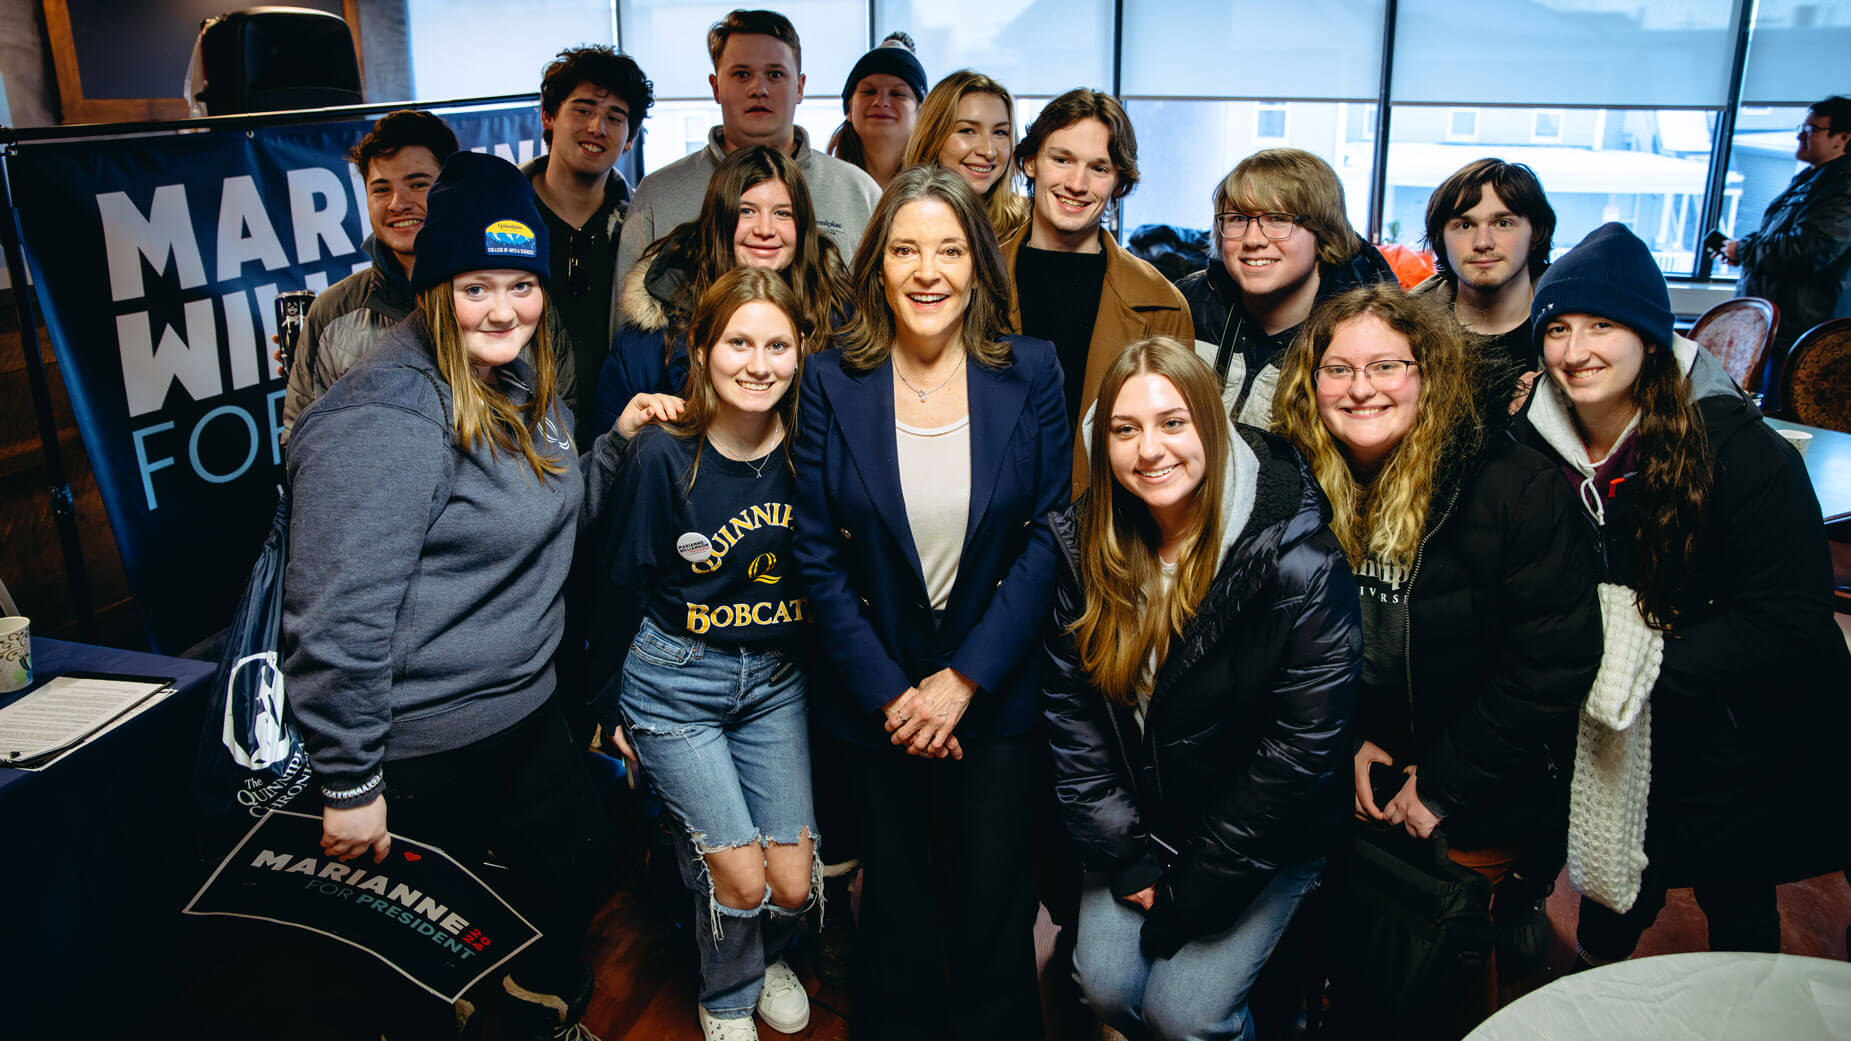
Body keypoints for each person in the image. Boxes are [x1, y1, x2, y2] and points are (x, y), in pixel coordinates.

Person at [284, 151, 617, 1041]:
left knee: (579, 865)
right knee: (417, 975)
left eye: (521, 282)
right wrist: (350, 779)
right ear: (436, 289)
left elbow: (539, 514)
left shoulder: (519, 376)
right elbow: (336, 616)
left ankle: (528, 1016)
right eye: (476, 286)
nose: (504, 307)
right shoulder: (384, 415)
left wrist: (614, 449)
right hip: (418, 747)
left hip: (519, 711)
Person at [1514, 222, 1851, 968]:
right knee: (1612, 901)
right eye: (1558, 328)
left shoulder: (1736, 449)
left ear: (1647, 336)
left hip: (1738, 727)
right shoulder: (1533, 444)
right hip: (1613, 737)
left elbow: (1789, 618)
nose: (1576, 350)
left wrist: (1627, 662)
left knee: (1739, 906)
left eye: (1602, 325)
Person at [1273, 285, 1602, 1036]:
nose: (1361, 388)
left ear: (1429, 373)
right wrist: (1346, 737)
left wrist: (1441, 783)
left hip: (1478, 775)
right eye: (1338, 368)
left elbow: (1552, 661)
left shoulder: (1510, 487)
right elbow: (1282, 645)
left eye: (1387, 365)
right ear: (1308, 381)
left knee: (1421, 975)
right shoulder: (1291, 483)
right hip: (1344, 760)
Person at [791, 165, 1069, 1040]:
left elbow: (1047, 535)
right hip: (877, 698)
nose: (927, 270)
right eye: (905, 248)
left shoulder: (1033, 371)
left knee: (994, 910)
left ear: (979, 268)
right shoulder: (830, 379)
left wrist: (963, 680)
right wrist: (893, 691)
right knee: (897, 918)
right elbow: (813, 554)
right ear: (878, 264)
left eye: (949, 249)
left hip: (993, 695)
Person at [1043, 337, 1360, 1041]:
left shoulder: (1294, 554)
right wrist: (1126, 855)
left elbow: (1301, 750)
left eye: (1172, 422)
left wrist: (1196, 890)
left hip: (1262, 834)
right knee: (1101, 987)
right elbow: (1074, 721)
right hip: (1146, 822)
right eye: (1124, 429)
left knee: (1182, 1015)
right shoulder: (1086, 545)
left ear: (1211, 428)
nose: (1149, 449)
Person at [599, 267, 818, 1041]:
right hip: (673, 680)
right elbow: (617, 582)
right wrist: (608, 710)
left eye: (777, 345)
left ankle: (764, 951)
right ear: (699, 347)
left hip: (774, 681)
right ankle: (727, 995)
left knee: (789, 885)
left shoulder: (813, 453)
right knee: (737, 873)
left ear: (800, 354)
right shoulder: (663, 455)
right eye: (737, 342)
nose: (757, 363)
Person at [1002, 88, 1192, 483]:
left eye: (1099, 168)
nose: (1076, 183)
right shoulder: (973, 281)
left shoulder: (1162, 305)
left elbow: (1174, 444)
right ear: (1031, 162)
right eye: (1061, 159)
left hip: (1107, 527)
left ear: (1119, 184)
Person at [615, 9, 879, 287]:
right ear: (716, 87)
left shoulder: (859, 192)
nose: (758, 88)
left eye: (775, 74)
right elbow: (628, 321)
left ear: (800, 87)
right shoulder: (658, 196)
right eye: (742, 74)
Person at [596, 145, 851, 430]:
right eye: (746, 211)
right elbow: (609, 451)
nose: (765, 229)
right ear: (719, 219)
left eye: (782, 213)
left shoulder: (841, 322)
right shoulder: (653, 335)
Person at [1178, 148, 1396, 428]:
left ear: (1323, 232)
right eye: (1238, 219)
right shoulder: (1184, 307)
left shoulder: (1372, 334)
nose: (1253, 239)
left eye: (1278, 219)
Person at [279, 109, 459, 440]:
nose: (397, 203)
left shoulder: (509, 300)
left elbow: (549, 435)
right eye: (380, 189)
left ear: (451, 188)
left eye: (417, 184)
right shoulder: (332, 312)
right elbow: (301, 442)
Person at [522, 44, 655, 445]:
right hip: (520, 436)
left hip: (616, 438)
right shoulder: (504, 225)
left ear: (630, 139)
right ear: (548, 116)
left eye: (615, 118)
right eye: (581, 110)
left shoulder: (642, 231)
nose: (597, 127)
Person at [1720, 94, 1851, 395]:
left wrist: (1743, 251)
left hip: (1803, 333)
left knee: (1784, 423)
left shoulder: (1842, 185)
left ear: (1842, 137)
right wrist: (1742, 248)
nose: (1800, 135)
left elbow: (1808, 250)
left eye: (1811, 129)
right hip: (1781, 329)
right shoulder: (1815, 178)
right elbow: (1780, 237)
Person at [1410, 158, 1557, 374]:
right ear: (1440, 238)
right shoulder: (1405, 326)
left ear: (1536, 233)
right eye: (1465, 225)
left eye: (1503, 223)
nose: (1483, 243)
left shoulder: (1576, 318)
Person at [902, 69, 1031, 242]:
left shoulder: (1028, 223)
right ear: (932, 136)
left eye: (1000, 132)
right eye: (968, 131)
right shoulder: (898, 219)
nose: (988, 151)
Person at [828, 32, 926, 189]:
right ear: (849, 109)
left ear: (921, 112)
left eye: (897, 94)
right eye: (869, 91)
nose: (881, 102)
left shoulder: (940, 188)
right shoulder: (821, 185)